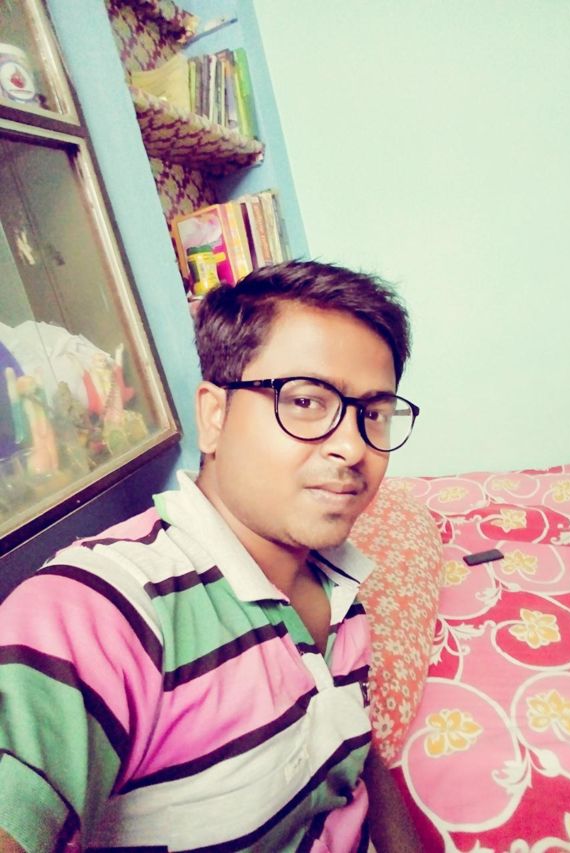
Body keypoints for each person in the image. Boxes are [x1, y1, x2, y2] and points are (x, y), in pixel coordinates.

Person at [0, 260, 423, 852]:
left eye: (373, 414)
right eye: (305, 401)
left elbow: (358, 762)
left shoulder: (341, 585)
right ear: (214, 416)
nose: (354, 447)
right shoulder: (103, 609)